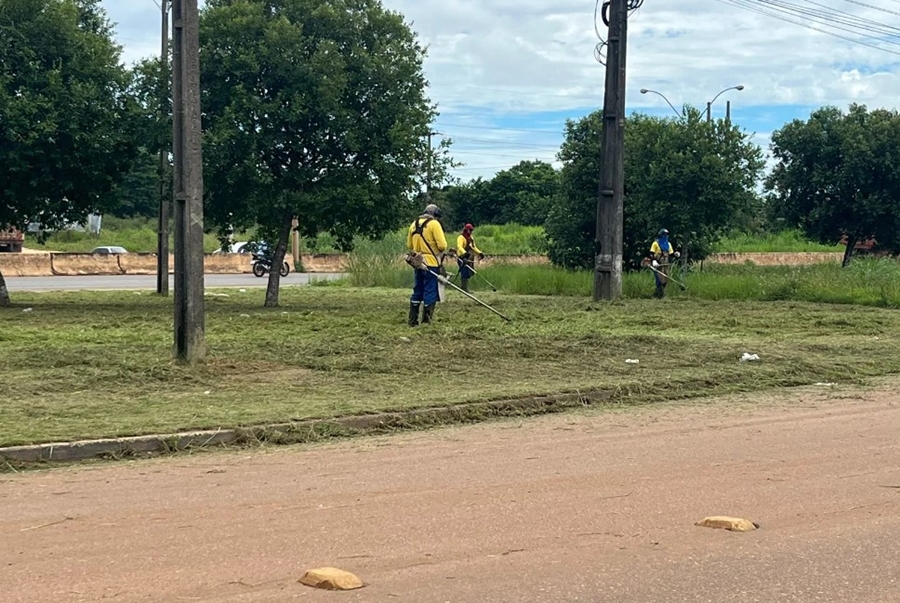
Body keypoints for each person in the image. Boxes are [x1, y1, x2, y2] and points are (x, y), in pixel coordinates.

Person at [406, 203, 448, 326]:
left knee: (417, 289)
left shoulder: (414, 224)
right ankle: (426, 321)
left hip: (418, 263)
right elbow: (442, 245)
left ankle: (412, 321)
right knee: (430, 290)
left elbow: (410, 245)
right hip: (431, 263)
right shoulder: (434, 224)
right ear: (435, 215)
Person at [649, 228, 680, 298]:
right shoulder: (655, 243)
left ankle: (659, 294)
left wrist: (675, 254)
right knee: (659, 279)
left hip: (665, 264)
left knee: (665, 280)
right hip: (657, 264)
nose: (665, 236)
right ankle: (658, 295)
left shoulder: (668, 244)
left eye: (666, 235)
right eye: (664, 235)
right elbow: (651, 253)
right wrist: (653, 260)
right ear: (661, 235)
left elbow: (671, 254)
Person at [455, 223, 485, 292]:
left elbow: (473, 247)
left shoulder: (471, 238)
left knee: (469, 272)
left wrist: (480, 253)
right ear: (466, 230)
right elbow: (459, 246)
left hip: (467, 257)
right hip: (462, 257)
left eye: (471, 230)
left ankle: (463, 287)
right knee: (464, 271)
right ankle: (465, 289)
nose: (471, 232)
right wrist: (464, 253)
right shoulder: (461, 237)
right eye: (470, 230)